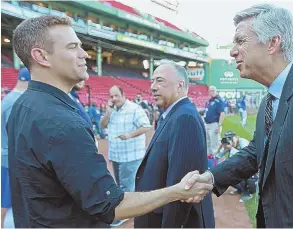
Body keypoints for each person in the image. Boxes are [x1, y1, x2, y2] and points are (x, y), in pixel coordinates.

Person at [7, 15, 213, 228]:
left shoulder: (22, 105)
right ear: (41, 56)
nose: (83, 54)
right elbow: (109, 206)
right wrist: (177, 191)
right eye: (72, 47)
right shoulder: (62, 122)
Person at [185, 4, 293, 228]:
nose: (232, 51)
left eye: (241, 40)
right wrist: (212, 177)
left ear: (272, 43)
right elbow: (257, 151)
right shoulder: (269, 99)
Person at [134, 63, 215, 228]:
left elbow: (182, 189)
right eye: (152, 81)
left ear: (180, 86)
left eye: (160, 81)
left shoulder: (184, 118)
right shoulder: (173, 114)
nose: (153, 87)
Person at [100, 85, 151, 226]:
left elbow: (147, 126)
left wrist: (130, 135)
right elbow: (102, 125)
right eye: (111, 96)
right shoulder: (112, 111)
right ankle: (132, 208)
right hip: (116, 155)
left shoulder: (135, 109)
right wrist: (108, 112)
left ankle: (127, 214)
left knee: (126, 186)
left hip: (131, 155)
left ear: (123, 95)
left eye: (116, 95)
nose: (114, 99)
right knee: (121, 184)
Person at [1, 67, 31, 228]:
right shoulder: (14, 101)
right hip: (12, 160)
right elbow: (18, 136)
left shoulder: (11, 99)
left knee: (7, 200)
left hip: (8, 157)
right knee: (7, 201)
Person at [204, 86, 225, 155]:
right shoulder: (209, 101)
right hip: (207, 124)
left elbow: (222, 113)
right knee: (208, 144)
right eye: (210, 91)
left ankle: (217, 162)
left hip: (214, 124)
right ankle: (210, 162)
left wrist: (219, 125)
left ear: (216, 91)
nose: (212, 92)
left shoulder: (219, 100)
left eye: (213, 90)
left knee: (215, 144)